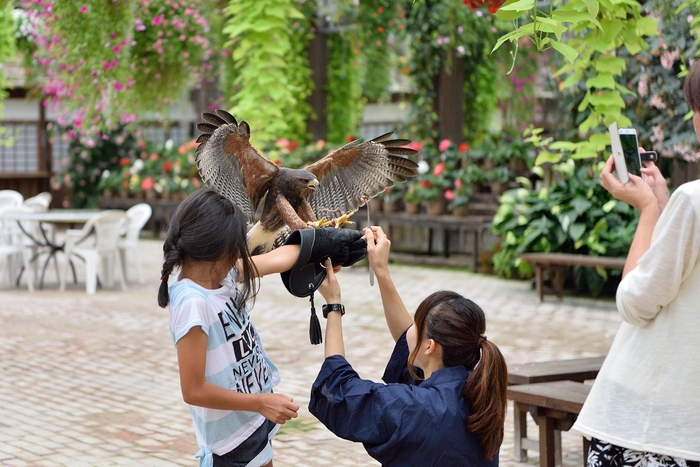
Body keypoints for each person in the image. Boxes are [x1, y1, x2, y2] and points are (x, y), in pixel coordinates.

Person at [157, 188, 366, 467]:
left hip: (250, 416)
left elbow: (280, 258)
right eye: (234, 249)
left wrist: (328, 246)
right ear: (216, 249)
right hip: (232, 437)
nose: (237, 256)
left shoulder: (221, 274)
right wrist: (260, 403)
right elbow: (193, 390)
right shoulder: (193, 304)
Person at [571, 61, 700, 466]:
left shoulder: (694, 201)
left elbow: (635, 303)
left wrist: (647, 209)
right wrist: (664, 205)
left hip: (662, 428)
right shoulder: (685, 203)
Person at [308, 225, 509, 467]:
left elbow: (338, 389)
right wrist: (381, 271)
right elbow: (409, 343)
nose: (409, 329)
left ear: (430, 346)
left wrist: (333, 305)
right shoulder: (479, 395)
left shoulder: (413, 408)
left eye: (417, 323)